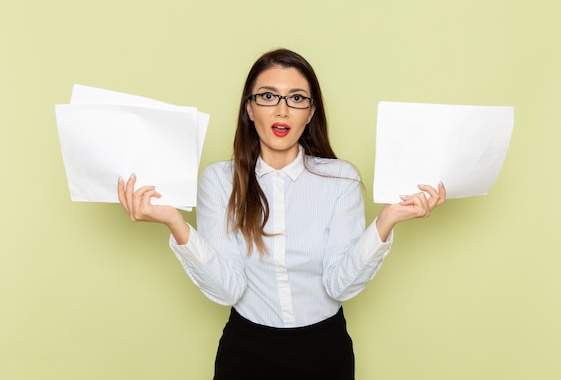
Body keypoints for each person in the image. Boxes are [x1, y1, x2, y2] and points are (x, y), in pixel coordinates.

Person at [118, 48, 446, 380]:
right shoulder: (218, 180)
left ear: (311, 112)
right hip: (246, 352)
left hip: (325, 351)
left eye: (297, 98)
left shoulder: (341, 179)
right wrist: (176, 223)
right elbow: (228, 290)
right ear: (249, 107)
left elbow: (339, 286)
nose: (282, 110)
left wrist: (386, 220)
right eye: (268, 96)